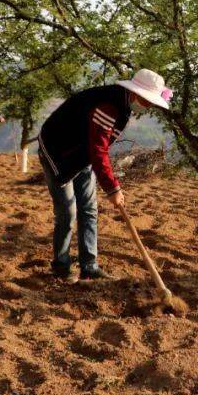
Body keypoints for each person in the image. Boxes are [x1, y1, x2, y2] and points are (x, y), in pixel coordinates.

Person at [37, 69, 171, 283]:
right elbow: (99, 150)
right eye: (148, 101)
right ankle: (61, 266)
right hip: (58, 151)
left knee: (89, 209)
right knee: (67, 212)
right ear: (136, 93)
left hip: (83, 153)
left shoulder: (124, 103)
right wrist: (112, 187)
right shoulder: (109, 105)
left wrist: (111, 185)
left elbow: (97, 148)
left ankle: (89, 267)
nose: (148, 106)